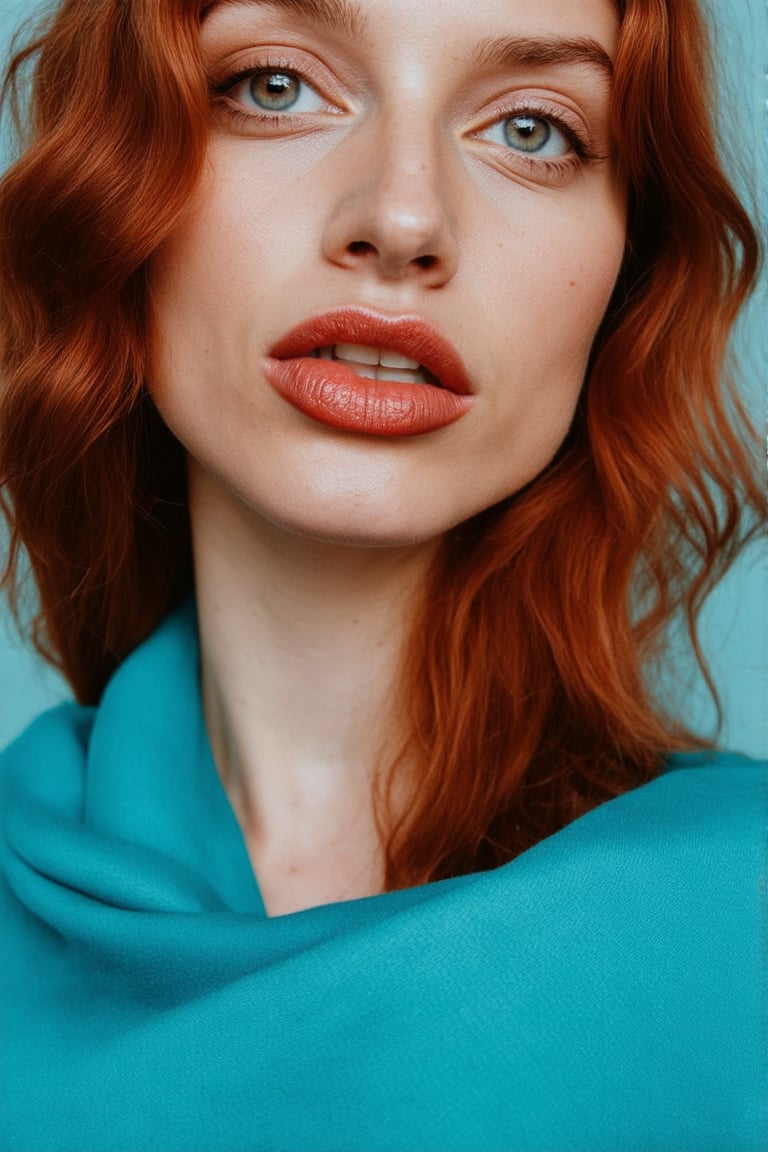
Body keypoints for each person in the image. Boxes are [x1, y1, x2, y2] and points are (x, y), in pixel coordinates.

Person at [0, 0, 764, 1148]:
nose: (403, 219)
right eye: (274, 85)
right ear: (120, 188)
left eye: (533, 129)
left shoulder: (741, 926)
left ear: (628, 269)